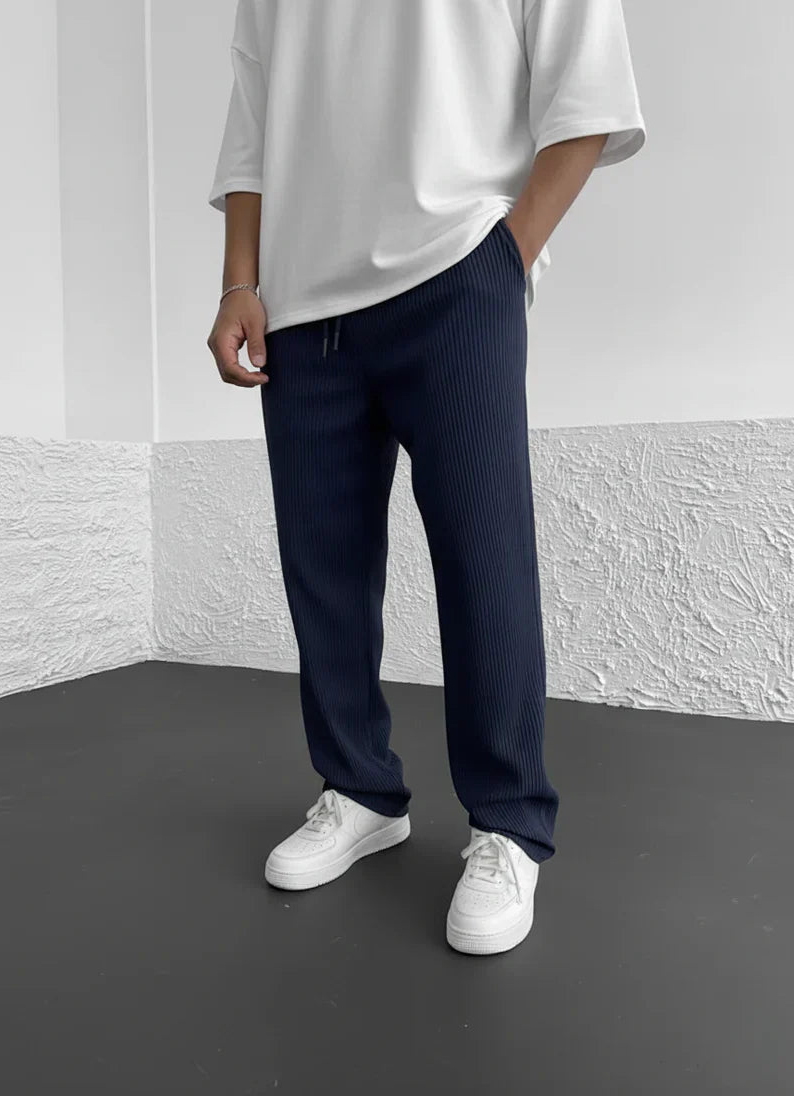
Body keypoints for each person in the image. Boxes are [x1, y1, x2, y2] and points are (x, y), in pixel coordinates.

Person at [206, 0, 646, 956]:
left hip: (455, 271)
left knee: (485, 563)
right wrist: (240, 280)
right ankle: (359, 788)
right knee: (323, 570)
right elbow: (253, 124)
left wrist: (505, 256)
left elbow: (590, 88)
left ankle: (509, 824)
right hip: (299, 305)